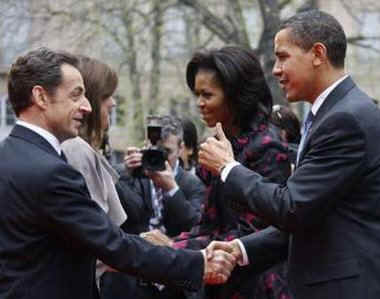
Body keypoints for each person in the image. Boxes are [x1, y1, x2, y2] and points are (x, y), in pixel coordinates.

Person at [0, 47, 236, 299]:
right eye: (76, 95)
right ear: (41, 97)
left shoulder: (9, 154)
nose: (87, 107)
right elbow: (113, 246)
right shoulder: (51, 172)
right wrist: (199, 263)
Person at [200, 10, 380, 299]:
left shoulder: (346, 120)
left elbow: (292, 207)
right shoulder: (333, 114)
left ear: (318, 54)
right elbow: (313, 217)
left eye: (283, 57)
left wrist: (228, 168)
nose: (275, 70)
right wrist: (241, 248)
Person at [148, 46, 291, 299]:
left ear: (236, 96)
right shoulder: (222, 142)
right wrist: (165, 249)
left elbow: (251, 235)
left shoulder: (267, 147)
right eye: (197, 94)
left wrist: (173, 250)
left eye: (207, 95)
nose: (200, 104)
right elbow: (209, 224)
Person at [61, 55, 126, 287]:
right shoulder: (76, 151)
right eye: (107, 96)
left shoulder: (82, 150)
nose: (113, 104)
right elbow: (99, 243)